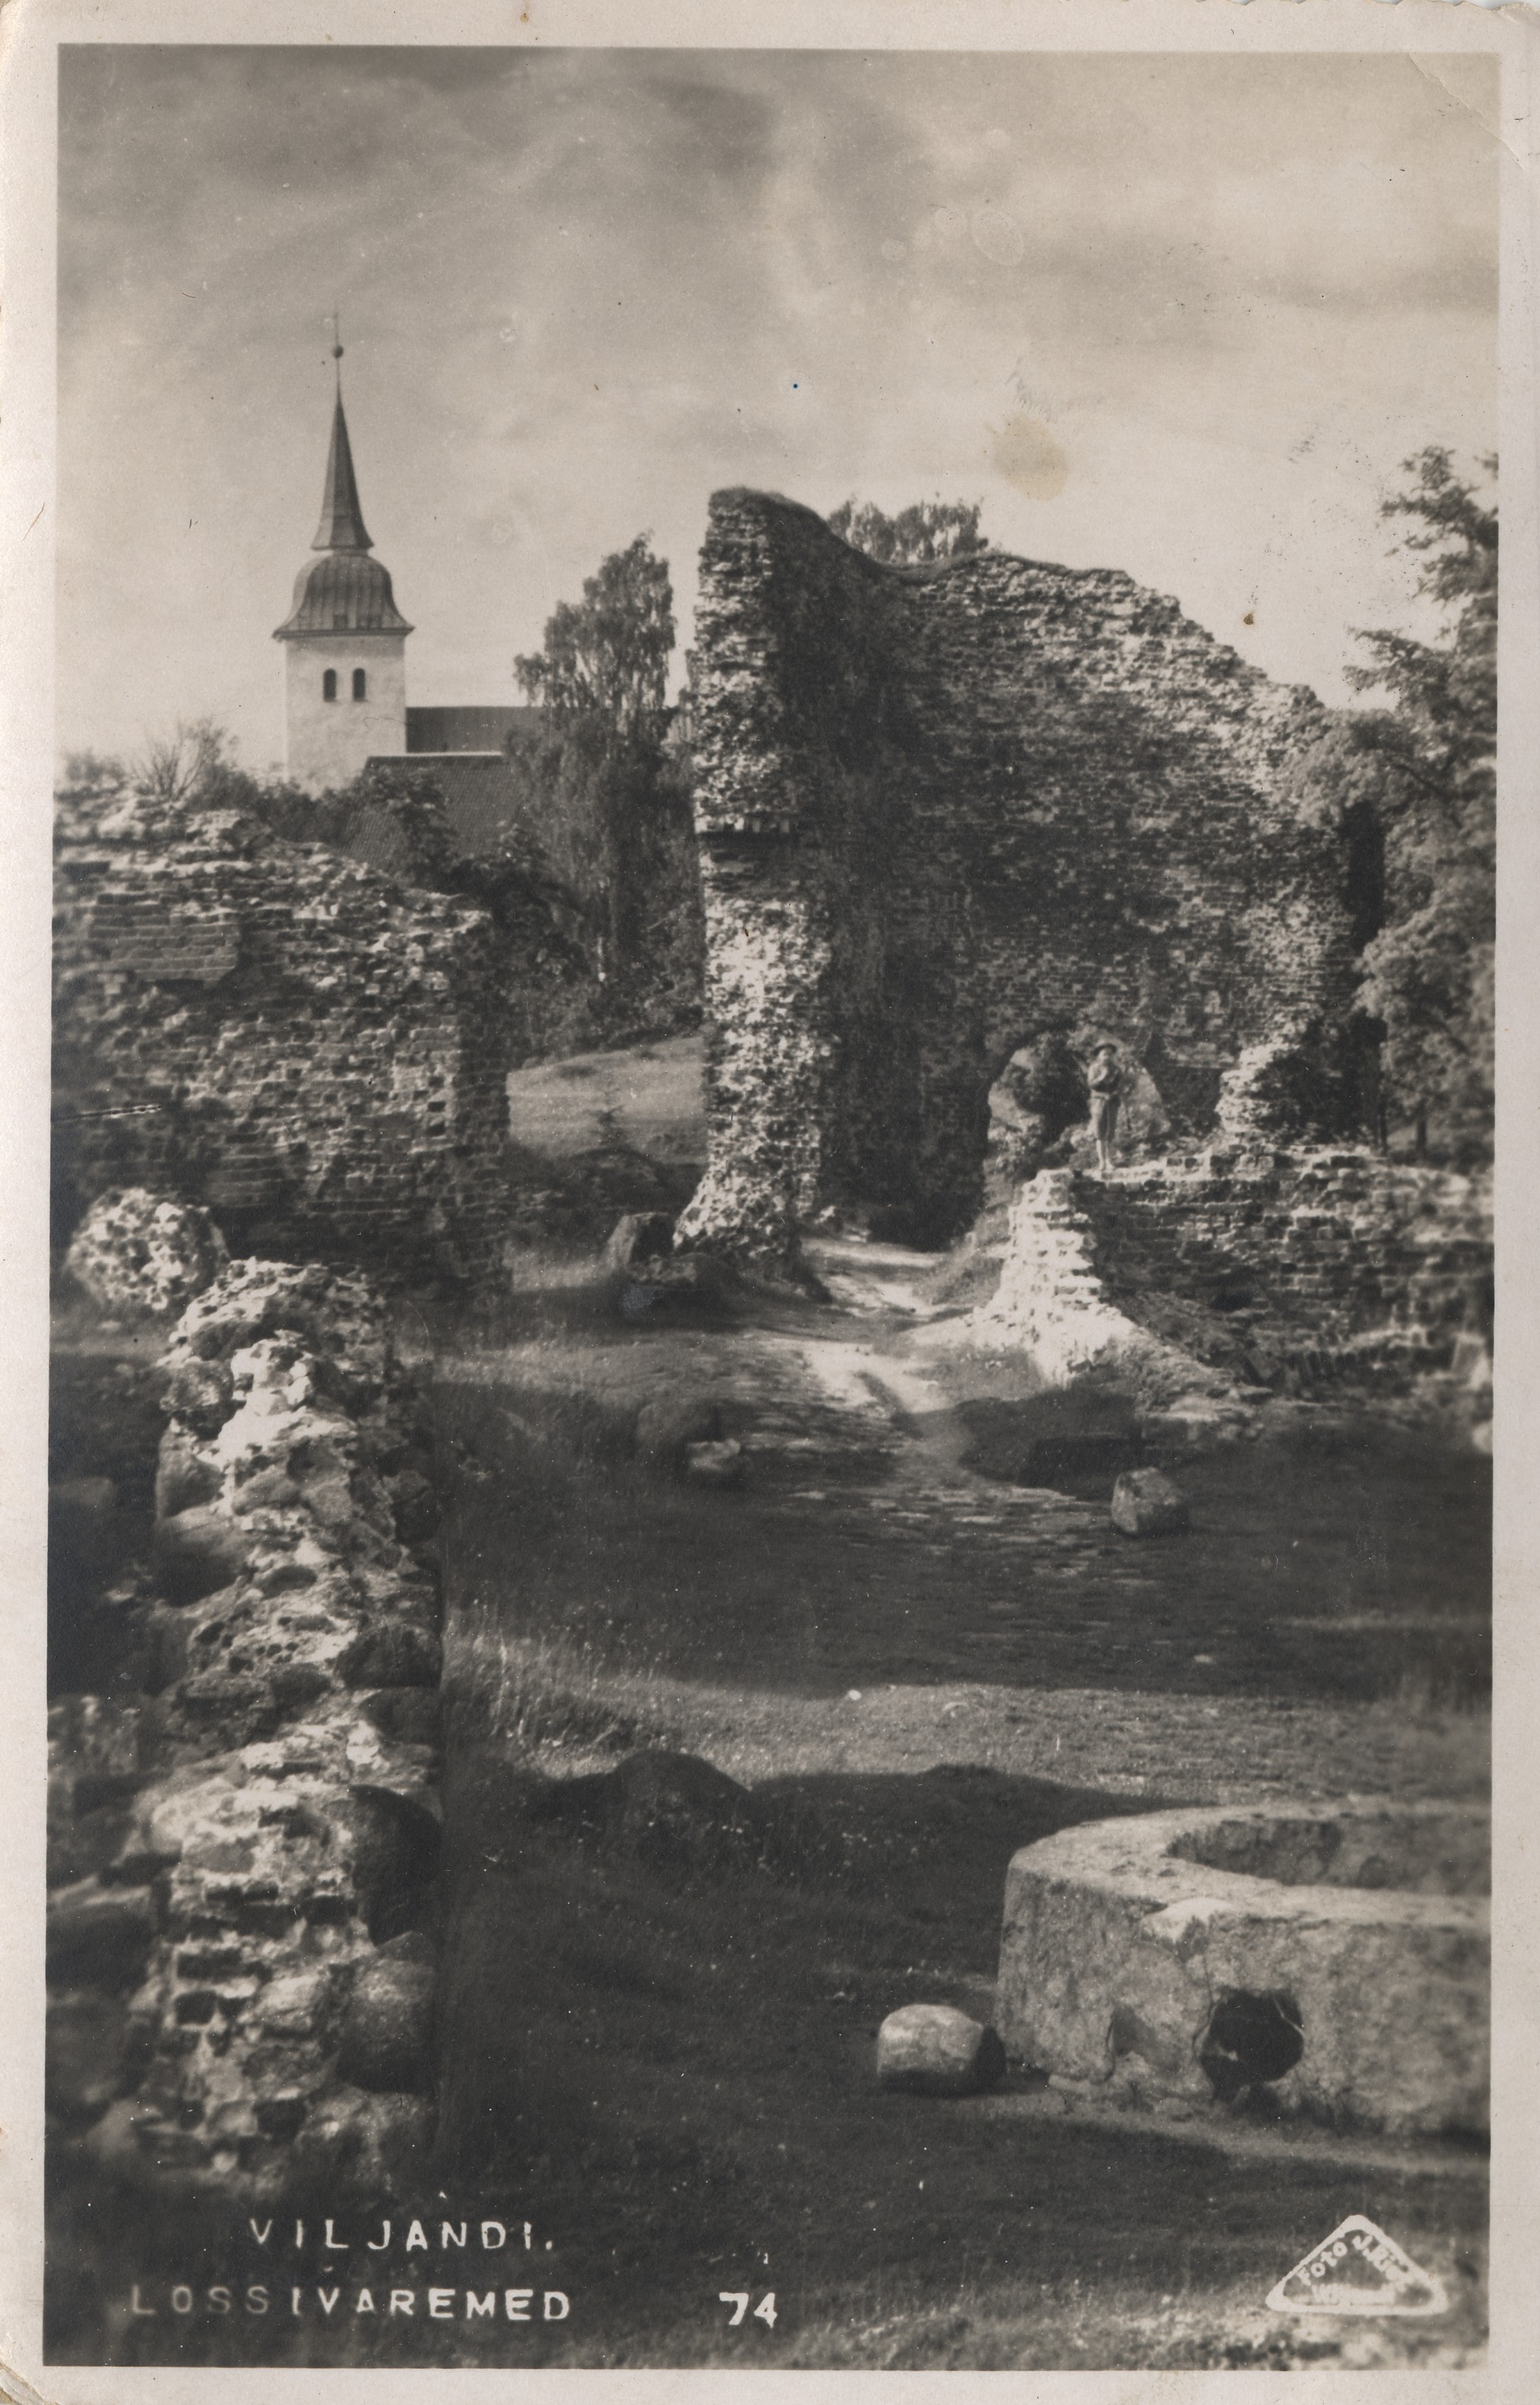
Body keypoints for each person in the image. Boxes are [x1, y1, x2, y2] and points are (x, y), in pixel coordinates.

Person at [1087, 1042, 1124, 1176]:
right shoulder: (1094, 1068)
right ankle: (1102, 1161)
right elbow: (1091, 1085)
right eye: (1104, 1054)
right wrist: (1102, 1077)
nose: (1107, 1057)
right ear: (1099, 1056)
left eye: (1110, 1054)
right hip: (1098, 1102)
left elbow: (1120, 1086)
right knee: (1099, 1132)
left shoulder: (1117, 1070)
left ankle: (1110, 1161)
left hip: (1112, 1102)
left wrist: (1113, 1095)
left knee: (1110, 1132)